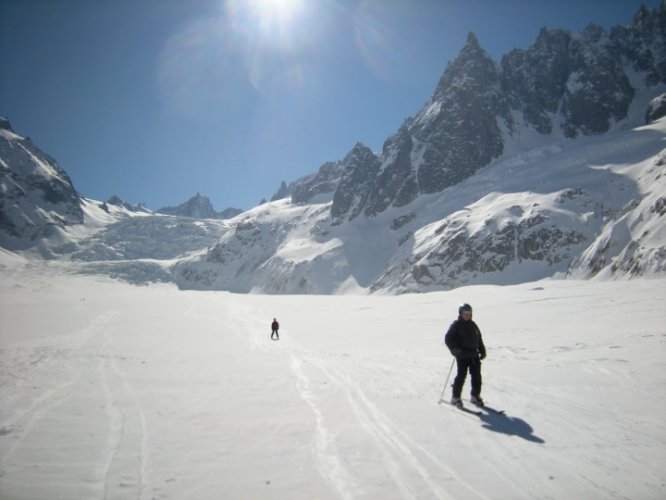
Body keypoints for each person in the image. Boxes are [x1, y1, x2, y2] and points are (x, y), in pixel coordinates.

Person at [444, 303, 486, 407]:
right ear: (460, 313)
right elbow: (448, 339)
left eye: (469, 313)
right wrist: (454, 350)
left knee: (477, 376)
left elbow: (479, 339)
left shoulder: (473, 325)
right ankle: (455, 397)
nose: (467, 315)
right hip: (462, 355)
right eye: (465, 313)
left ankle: (475, 396)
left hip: (474, 355)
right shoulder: (456, 325)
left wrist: (482, 350)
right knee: (461, 376)